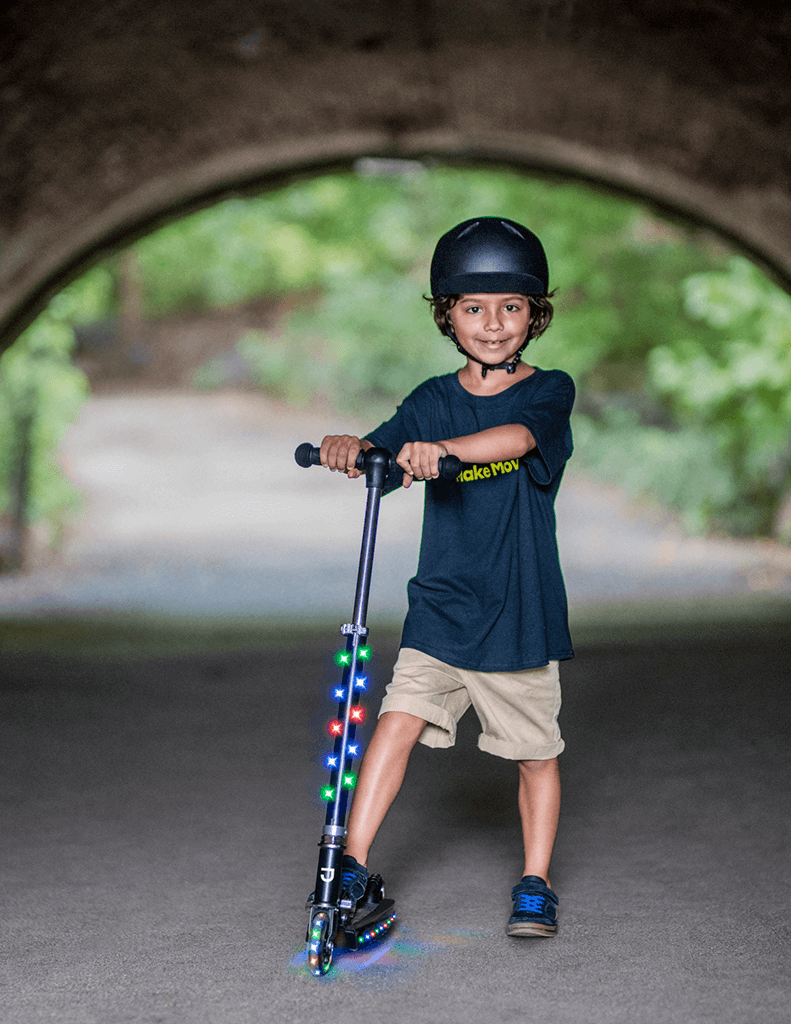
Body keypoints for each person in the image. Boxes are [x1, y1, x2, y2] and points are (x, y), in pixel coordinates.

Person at [318, 216, 575, 937]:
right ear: (447, 316)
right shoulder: (433, 397)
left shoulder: (549, 391)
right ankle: (349, 867)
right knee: (394, 722)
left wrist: (447, 453)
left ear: (534, 314)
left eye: (511, 307)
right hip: (443, 606)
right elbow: (385, 448)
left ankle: (535, 880)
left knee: (534, 754)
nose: (493, 324)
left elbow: (518, 439)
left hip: (517, 612)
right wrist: (355, 449)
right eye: (473, 308)